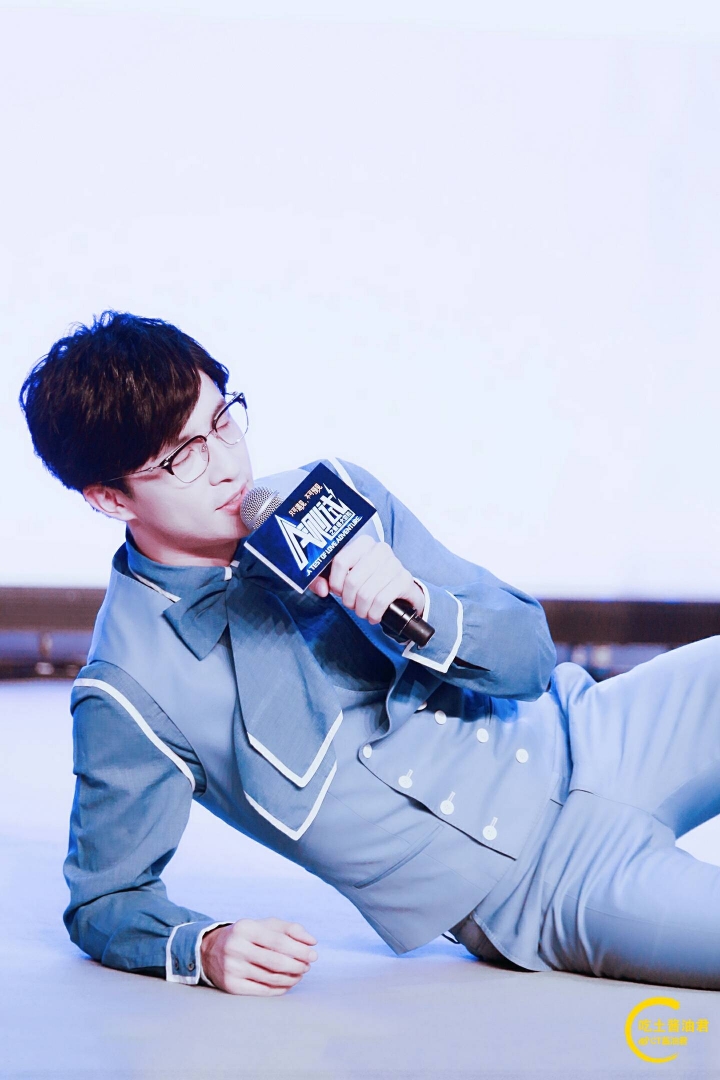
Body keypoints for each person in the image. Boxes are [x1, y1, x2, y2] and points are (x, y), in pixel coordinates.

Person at [19, 311, 720, 996]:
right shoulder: (129, 689)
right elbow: (105, 898)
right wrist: (203, 947)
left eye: (223, 420)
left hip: (599, 730)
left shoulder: (330, 495)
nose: (226, 465)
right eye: (182, 456)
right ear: (109, 499)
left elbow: (530, 657)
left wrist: (419, 604)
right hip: (543, 886)